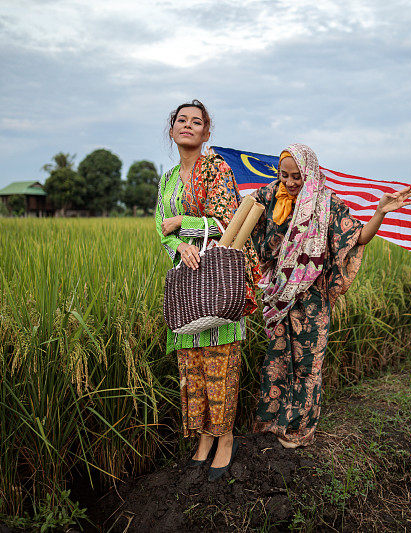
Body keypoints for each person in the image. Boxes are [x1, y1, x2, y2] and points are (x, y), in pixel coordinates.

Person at [251, 143, 411, 448]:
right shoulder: (269, 197)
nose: (289, 182)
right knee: (276, 359)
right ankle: (270, 423)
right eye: (284, 175)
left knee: (306, 365)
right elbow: (246, 224)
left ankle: (297, 430)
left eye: (296, 177)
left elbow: (357, 238)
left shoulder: (327, 205)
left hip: (312, 300)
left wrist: (380, 212)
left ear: (310, 173)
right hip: (279, 297)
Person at [156, 100, 261, 479]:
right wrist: (177, 246)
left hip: (217, 278)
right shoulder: (166, 180)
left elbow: (229, 220)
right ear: (172, 131)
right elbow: (159, 226)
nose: (187, 125)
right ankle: (203, 437)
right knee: (192, 367)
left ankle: (226, 437)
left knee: (221, 363)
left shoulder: (216, 169)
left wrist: (183, 222)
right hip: (186, 284)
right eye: (181, 120)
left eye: (196, 122)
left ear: (206, 133)